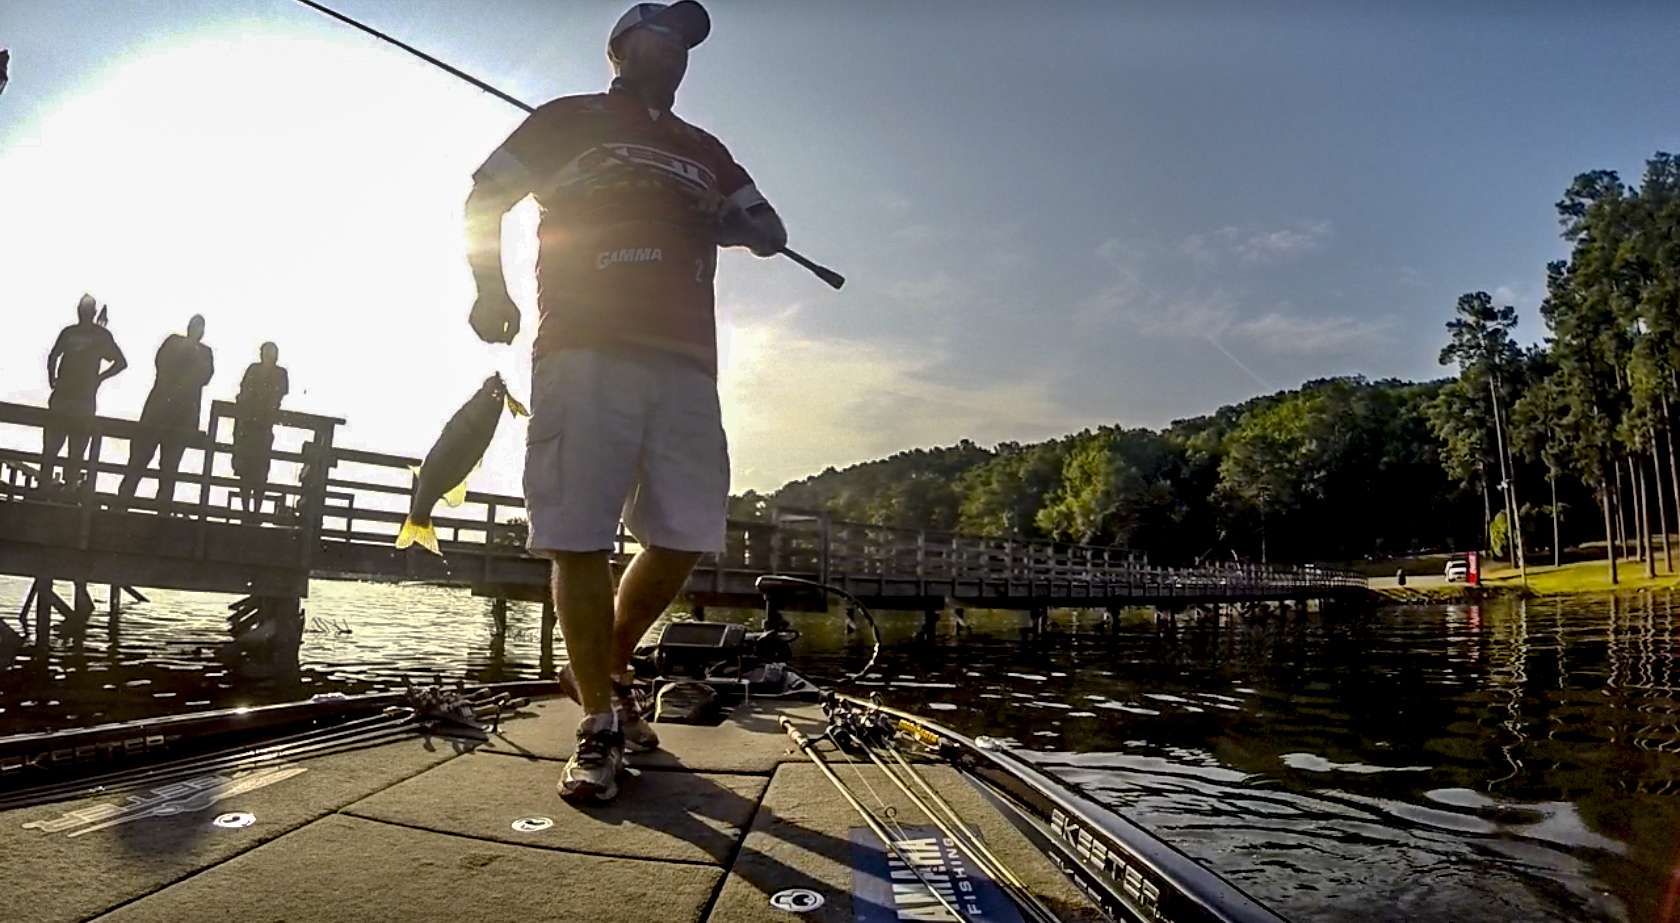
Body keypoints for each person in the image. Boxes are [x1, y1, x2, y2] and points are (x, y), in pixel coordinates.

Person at [465, 0, 786, 803]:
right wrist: (488, 288)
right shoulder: (566, 119)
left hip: (687, 361)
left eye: (685, 41)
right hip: (582, 346)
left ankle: (602, 662)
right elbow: (484, 198)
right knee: (577, 534)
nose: (675, 48)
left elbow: (770, 225)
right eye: (660, 32)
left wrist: (740, 225)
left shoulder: (706, 149)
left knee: (686, 531)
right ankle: (600, 721)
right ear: (620, 47)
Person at [118, 315, 214, 511]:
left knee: (169, 466)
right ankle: (122, 503)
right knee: (140, 460)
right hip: (159, 413)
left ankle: (161, 510)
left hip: (178, 417)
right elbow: (163, 364)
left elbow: (204, 376)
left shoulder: (203, 352)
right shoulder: (175, 343)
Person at [42, 294, 127, 490]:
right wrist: (99, 378)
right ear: (93, 312)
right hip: (82, 400)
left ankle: (45, 488)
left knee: (51, 450)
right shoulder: (101, 336)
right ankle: (69, 489)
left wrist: (52, 379)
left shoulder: (70, 333)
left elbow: (53, 357)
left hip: (64, 398)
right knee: (75, 452)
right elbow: (120, 362)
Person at [232, 342, 289, 520]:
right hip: (249, 427)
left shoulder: (279, 373)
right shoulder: (255, 370)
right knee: (246, 470)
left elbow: (278, 394)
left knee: (260, 472)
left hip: (262, 428)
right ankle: (246, 510)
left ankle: (255, 511)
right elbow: (245, 392)